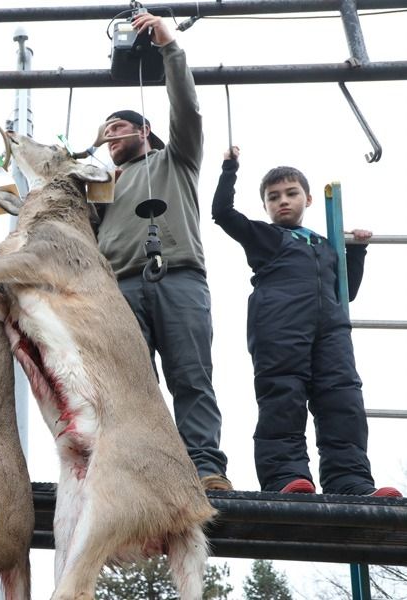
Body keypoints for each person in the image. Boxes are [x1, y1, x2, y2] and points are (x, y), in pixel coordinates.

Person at [211, 146, 402, 497]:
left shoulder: (324, 245)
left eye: (291, 193)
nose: (282, 201)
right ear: (265, 206)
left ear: (308, 199)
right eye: (273, 197)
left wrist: (356, 251)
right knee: (284, 397)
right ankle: (285, 476)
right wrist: (229, 168)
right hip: (279, 328)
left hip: (330, 330)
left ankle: (350, 481)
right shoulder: (266, 237)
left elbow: (347, 292)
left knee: (342, 399)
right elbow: (222, 213)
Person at [93, 13, 231, 491]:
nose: (110, 137)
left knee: (191, 377)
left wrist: (170, 47)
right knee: (129, 387)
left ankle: (205, 467)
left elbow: (187, 109)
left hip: (179, 277)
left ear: (144, 129)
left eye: (117, 127)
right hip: (119, 289)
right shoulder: (102, 187)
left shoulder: (176, 159)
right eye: (105, 133)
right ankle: (142, 476)